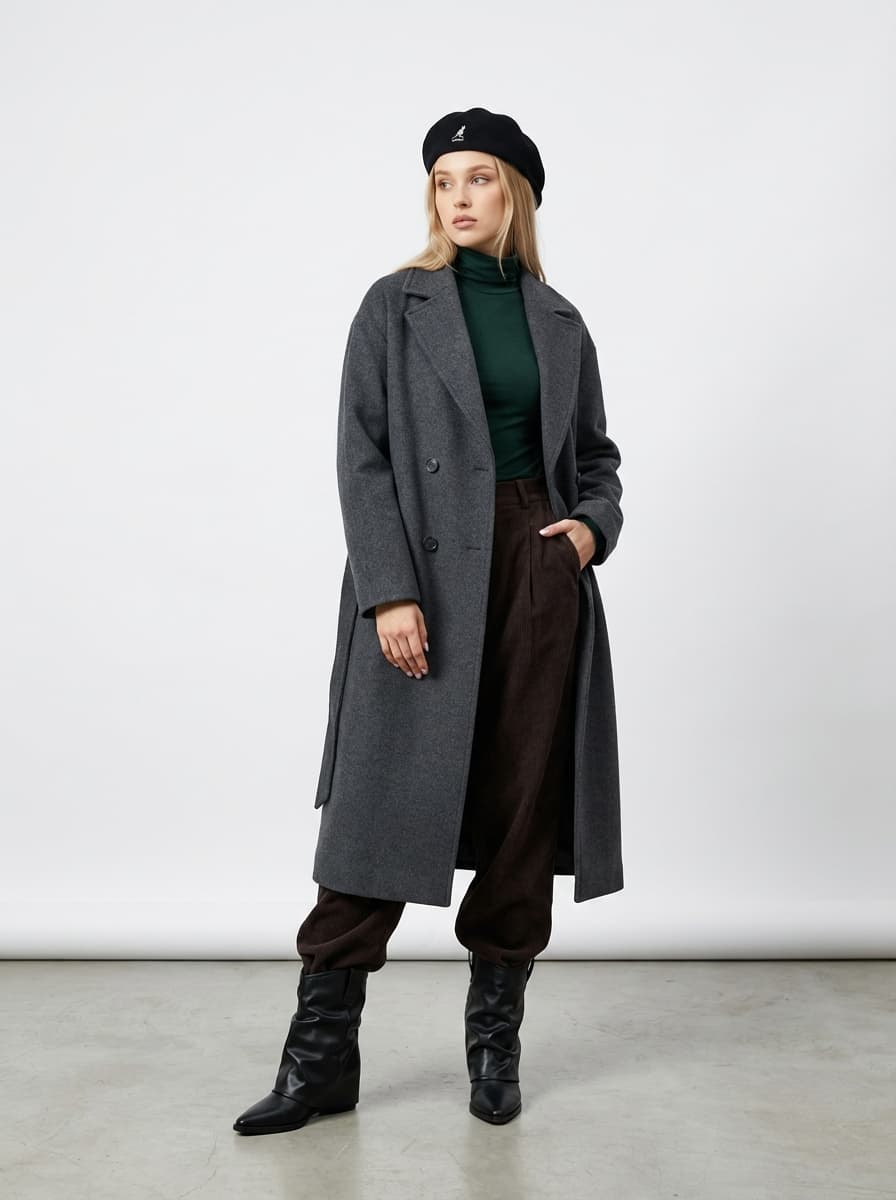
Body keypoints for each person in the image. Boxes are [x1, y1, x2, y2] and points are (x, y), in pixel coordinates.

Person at [234, 106, 624, 1136]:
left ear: (516, 194)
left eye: (479, 178)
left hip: (534, 566)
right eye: (444, 180)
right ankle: (321, 1061)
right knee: (378, 809)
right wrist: (389, 589)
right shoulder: (393, 304)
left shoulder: (560, 320)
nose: (458, 197)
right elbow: (360, 455)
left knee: (520, 806)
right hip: (423, 570)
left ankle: (493, 1049)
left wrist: (589, 530)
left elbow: (595, 458)